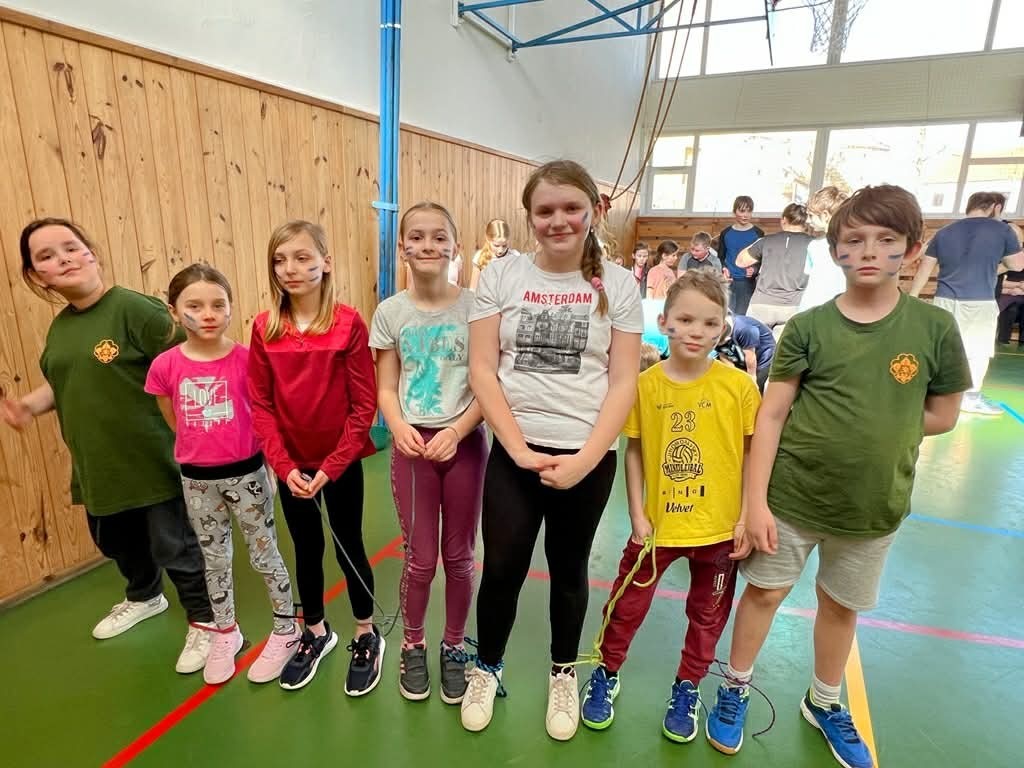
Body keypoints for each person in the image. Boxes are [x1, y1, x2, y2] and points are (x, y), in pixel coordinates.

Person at [705, 186, 970, 768]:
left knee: (840, 606)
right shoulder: (808, 327)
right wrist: (755, 503)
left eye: (886, 240)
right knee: (764, 593)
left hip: (873, 506)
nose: (868, 251)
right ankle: (735, 687)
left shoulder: (933, 329)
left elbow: (944, 414)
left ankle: (823, 701)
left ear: (912, 249)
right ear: (835, 253)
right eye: (853, 240)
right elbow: (771, 415)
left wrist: (878, 426)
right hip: (792, 498)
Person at [461, 160, 643, 741]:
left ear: (594, 212)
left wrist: (585, 461)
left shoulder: (619, 285)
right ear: (529, 216)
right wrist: (515, 449)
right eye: (545, 210)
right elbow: (483, 369)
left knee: (569, 570)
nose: (558, 220)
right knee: (502, 568)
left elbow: (623, 382)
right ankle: (487, 666)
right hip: (515, 457)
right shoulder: (501, 276)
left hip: (585, 457)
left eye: (571, 208)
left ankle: (563, 671)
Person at [2, 218, 213, 673]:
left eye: (70, 247)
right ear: (38, 277)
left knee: (174, 546)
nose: (63, 259)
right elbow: (68, 381)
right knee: (116, 541)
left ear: (91, 253)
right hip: (98, 466)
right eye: (46, 256)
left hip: (152, 461)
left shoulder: (135, 310)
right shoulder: (61, 329)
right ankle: (145, 596)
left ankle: (206, 620)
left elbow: (193, 363)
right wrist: (28, 406)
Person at [580, 270, 758, 743]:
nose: (697, 331)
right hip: (656, 530)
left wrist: (745, 516)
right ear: (664, 322)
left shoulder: (740, 387)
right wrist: (638, 514)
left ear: (723, 328)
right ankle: (606, 672)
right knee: (625, 606)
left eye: (710, 323)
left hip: (719, 531)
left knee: (707, 616)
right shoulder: (645, 386)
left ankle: (688, 687)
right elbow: (634, 451)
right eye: (686, 319)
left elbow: (752, 456)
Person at [145, 264, 298, 685]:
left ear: (231, 307)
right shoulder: (165, 366)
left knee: (265, 554)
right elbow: (173, 416)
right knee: (214, 559)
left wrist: (270, 467)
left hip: (246, 475)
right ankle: (226, 632)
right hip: (197, 480)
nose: (208, 314)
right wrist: (200, 449)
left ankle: (286, 626)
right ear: (174, 311)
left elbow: (264, 417)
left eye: (218, 304)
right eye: (194, 306)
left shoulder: (248, 360)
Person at [248, 220, 381, 694]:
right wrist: (285, 468)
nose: (290, 269)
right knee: (306, 547)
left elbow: (363, 405)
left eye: (302, 258)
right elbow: (261, 405)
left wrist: (331, 466)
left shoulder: (348, 323)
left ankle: (366, 632)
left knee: (349, 544)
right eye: (280, 260)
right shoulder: (264, 328)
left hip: (338, 464)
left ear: (326, 263)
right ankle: (316, 632)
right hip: (292, 468)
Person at [370, 202, 487, 704]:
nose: (428, 246)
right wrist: (398, 425)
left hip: (463, 444)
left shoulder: (477, 308)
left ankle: (454, 645)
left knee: (459, 557)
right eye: (416, 237)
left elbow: (487, 387)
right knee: (420, 559)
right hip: (413, 447)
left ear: (456, 247)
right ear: (402, 248)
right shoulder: (391, 312)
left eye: (439, 237)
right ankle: (412, 644)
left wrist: (458, 430)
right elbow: (386, 386)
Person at [908, 192, 1024, 414]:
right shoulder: (1002, 230)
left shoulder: (944, 231)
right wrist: (994, 266)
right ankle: (970, 397)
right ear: (996, 207)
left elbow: (925, 268)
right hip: (979, 301)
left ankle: (931, 394)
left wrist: (912, 296)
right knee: (977, 351)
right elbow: (1017, 265)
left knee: (942, 349)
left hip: (944, 300)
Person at [738, 203, 814, 338]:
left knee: (754, 348)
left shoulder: (766, 241)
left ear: (784, 220)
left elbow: (740, 261)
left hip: (761, 304)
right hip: (794, 307)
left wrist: (759, 243)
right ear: (805, 222)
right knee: (783, 350)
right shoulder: (814, 244)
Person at [796, 187, 850, 312]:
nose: (807, 220)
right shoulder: (857, 244)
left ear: (825, 215)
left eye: (811, 215)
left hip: (816, 309)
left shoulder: (815, 246)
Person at [716, 196, 765, 314]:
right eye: (742, 211)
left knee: (743, 317)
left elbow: (762, 259)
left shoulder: (758, 233)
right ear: (734, 212)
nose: (745, 215)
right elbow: (720, 257)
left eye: (749, 211)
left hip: (748, 283)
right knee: (726, 317)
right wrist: (723, 268)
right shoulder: (725, 233)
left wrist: (754, 269)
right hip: (728, 282)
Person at [717, 314, 776, 393]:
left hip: (763, 356)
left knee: (754, 389)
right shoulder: (713, 332)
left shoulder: (745, 329)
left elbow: (750, 357)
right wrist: (734, 375)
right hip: (739, 354)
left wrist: (752, 379)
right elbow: (722, 354)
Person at [469, 219, 519, 290]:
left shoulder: (515, 256)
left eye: (504, 245)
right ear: (488, 239)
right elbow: (473, 289)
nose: (500, 250)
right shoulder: (479, 257)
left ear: (508, 240)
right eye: (496, 245)